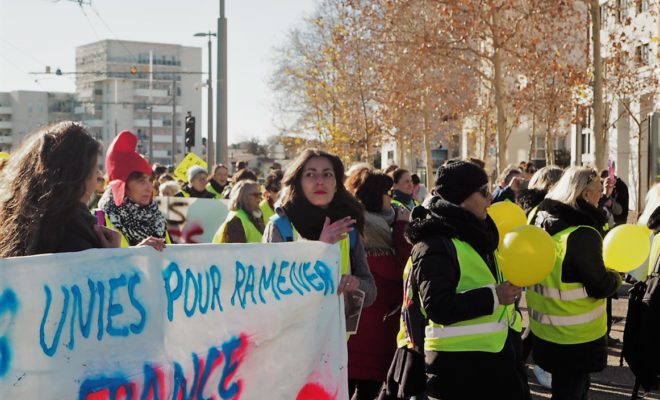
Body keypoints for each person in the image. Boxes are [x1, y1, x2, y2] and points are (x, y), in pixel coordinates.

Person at [405, 161, 528, 399]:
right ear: (461, 196)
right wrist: (495, 296)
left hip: (499, 359)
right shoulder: (434, 243)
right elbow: (438, 307)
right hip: (458, 369)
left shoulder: (482, 234)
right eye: (483, 191)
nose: (490, 197)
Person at [527, 166, 622, 399]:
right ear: (585, 194)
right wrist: (616, 276)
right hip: (576, 337)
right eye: (599, 190)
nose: (602, 196)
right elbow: (599, 285)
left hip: (545, 329)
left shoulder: (537, 216)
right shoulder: (582, 233)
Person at [263, 148, 377, 310]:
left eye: (327, 174)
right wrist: (320, 248)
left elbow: (370, 292)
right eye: (310, 174)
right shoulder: (280, 227)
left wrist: (356, 284)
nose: (320, 181)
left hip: (335, 334)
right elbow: (267, 294)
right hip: (293, 334)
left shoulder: (348, 225)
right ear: (298, 183)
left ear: (336, 184)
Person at [0, 121, 120, 256]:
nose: (98, 178)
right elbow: (99, 276)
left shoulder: (15, 225)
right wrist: (114, 257)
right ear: (79, 177)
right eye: (95, 171)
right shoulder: (80, 234)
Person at [345, 168, 412, 399]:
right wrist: (403, 229)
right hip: (367, 334)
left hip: (372, 328)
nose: (392, 199)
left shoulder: (380, 226)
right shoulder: (366, 229)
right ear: (376, 195)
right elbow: (401, 268)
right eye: (388, 193)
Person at [97, 130, 168, 250]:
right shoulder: (100, 219)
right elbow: (101, 264)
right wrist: (138, 253)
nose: (149, 187)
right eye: (141, 181)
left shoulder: (158, 218)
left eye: (150, 180)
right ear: (123, 186)